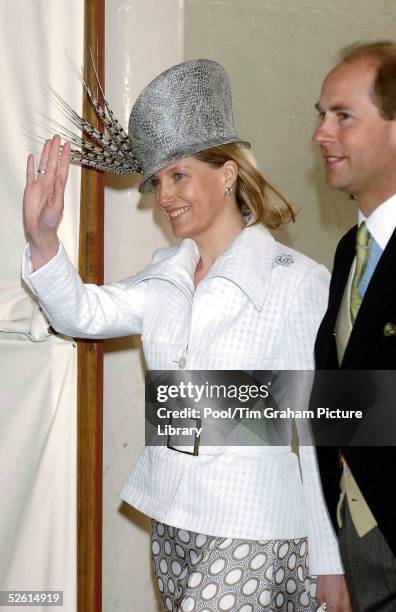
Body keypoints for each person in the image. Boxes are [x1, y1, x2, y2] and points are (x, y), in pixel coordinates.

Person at [23, 59, 344, 611]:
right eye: (157, 181)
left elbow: (326, 424)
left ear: (227, 173)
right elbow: (82, 314)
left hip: (256, 530)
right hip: (171, 521)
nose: (164, 195)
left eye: (179, 175)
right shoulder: (164, 276)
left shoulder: (297, 282)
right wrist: (45, 238)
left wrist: (331, 559)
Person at [313, 41, 396, 611]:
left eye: (343, 115)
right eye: (320, 115)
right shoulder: (350, 250)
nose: (322, 133)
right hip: (360, 543)